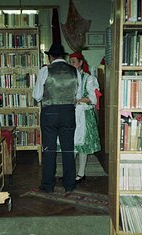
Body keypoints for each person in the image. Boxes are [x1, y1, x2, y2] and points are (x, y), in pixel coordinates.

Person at [32, 43, 82, 193]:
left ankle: (48, 185)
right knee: (68, 149)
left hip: (50, 113)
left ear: (50, 56)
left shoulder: (45, 70)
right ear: (64, 56)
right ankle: (69, 184)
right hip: (68, 112)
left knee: (49, 150)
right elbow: (78, 96)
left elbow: (37, 95)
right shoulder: (74, 71)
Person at [69, 52, 102, 183]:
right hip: (71, 113)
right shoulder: (68, 77)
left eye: (74, 61)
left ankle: (81, 173)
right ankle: (70, 172)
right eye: (70, 62)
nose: (71, 64)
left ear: (81, 62)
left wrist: (77, 100)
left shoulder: (89, 78)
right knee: (71, 145)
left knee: (82, 145)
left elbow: (92, 98)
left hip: (83, 114)